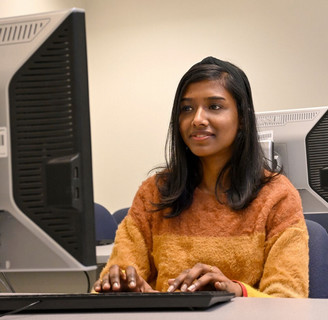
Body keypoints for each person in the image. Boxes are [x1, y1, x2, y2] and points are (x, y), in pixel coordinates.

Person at [93, 57, 309, 298]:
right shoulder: (154, 192)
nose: (197, 119)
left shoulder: (277, 195)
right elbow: (117, 279)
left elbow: (289, 301)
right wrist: (128, 289)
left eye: (214, 106)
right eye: (187, 108)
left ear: (243, 119)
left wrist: (234, 291)